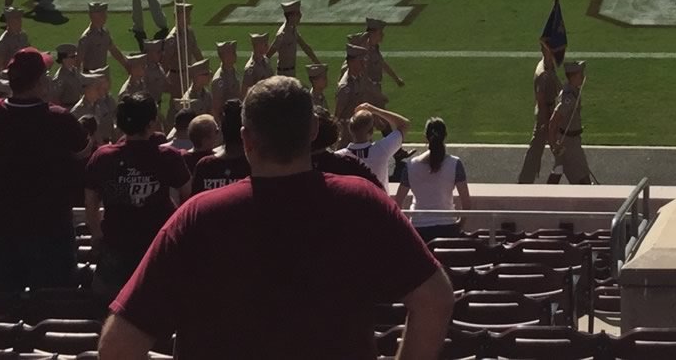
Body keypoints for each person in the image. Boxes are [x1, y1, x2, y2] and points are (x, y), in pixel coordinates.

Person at [98, 76, 453, 360]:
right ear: (313, 130)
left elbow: (117, 347)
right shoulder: (361, 202)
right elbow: (434, 298)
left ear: (246, 138)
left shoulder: (198, 218)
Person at [0, 47, 89, 293]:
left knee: (3, 298)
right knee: (53, 296)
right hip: (49, 224)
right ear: (41, 81)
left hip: (3, 222)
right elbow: (82, 151)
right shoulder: (60, 118)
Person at [84, 93, 191, 295]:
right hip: (156, 247)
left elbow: (90, 200)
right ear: (152, 124)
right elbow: (188, 197)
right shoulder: (168, 157)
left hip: (116, 245)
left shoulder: (103, 157)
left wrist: (97, 234)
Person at [400, 117, 470, 234]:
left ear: (425, 137)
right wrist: (458, 225)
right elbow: (466, 203)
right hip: (447, 227)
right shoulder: (455, 163)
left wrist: (409, 227)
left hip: (419, 229)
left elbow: (397, 203)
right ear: (445, 136)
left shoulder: (410, 165)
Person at [517, 40, 562, 183]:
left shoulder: (548, 65)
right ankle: (526, 181)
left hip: (548, 113)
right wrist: (546, 123)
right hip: (546, 115)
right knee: (541, 150)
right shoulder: (542, 73)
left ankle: (528, 179)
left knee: (540, 150)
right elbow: (541, 100)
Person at [340, 105, 410, 193]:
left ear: (350, 129)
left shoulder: (338, 157)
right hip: (380, 204)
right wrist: (374, 110)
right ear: (371, 131)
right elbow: (404, 124)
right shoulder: (382, 149)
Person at [548, 61, 593, 184]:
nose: (583, 77)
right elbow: (554, 121)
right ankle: (588, 198)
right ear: (573, 77)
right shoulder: (569, 98)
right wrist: (553, 144)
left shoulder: (572, 91)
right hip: (569, 142)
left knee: (559, 168)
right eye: (580, 74)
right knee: (582, 172)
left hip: (567, 139)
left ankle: (545, 195)